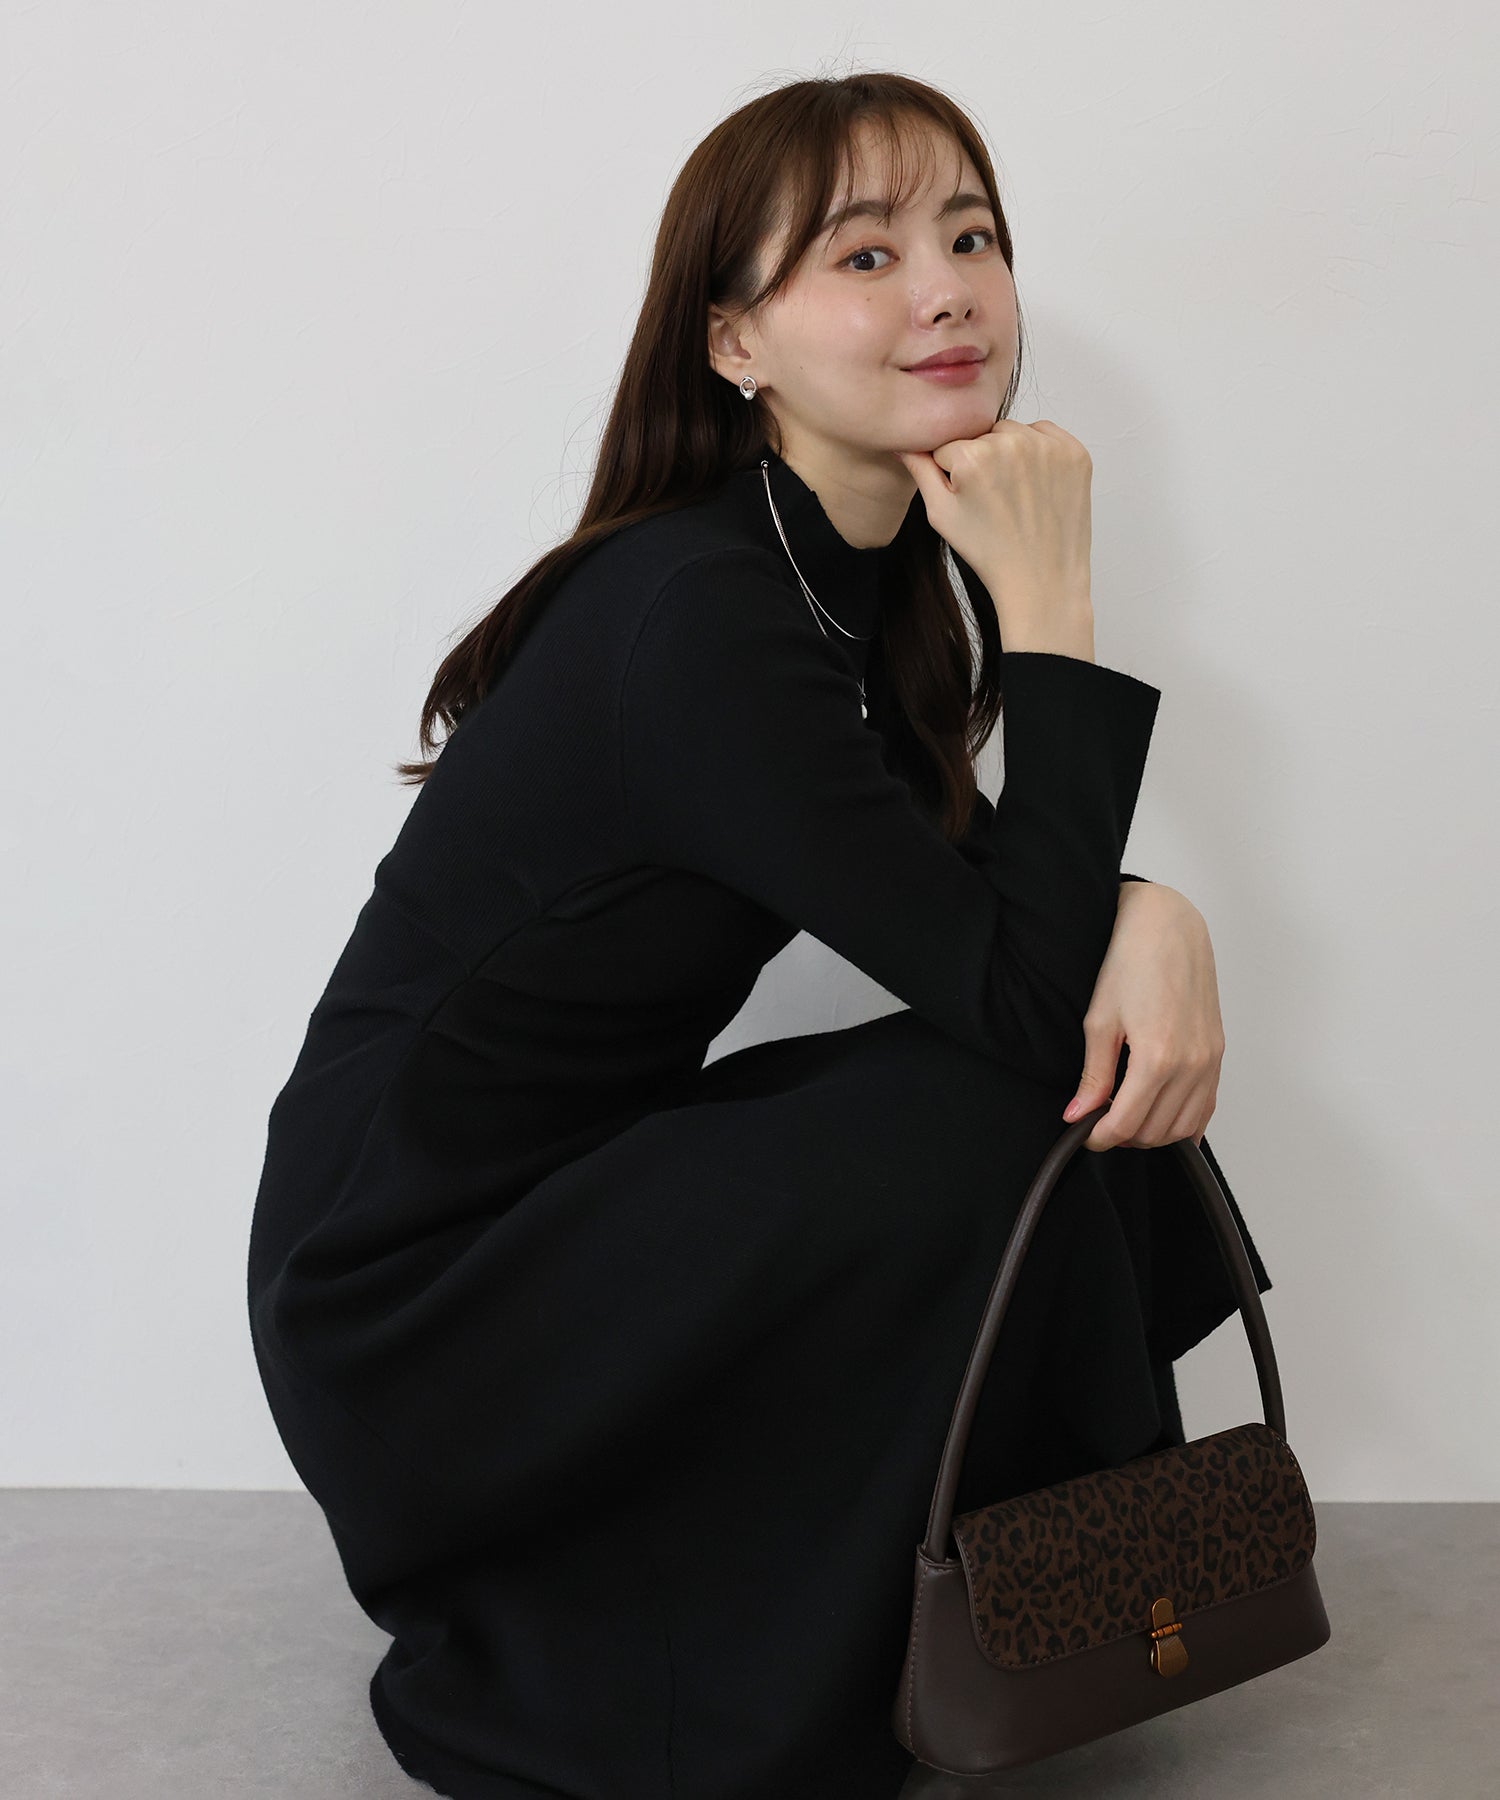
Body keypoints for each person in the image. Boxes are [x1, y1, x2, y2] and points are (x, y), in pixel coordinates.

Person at [246, 70, 1272, 1800]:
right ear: (734, 343)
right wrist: (1057, 610)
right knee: (1013, 1094)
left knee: (1046, 1087)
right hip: (420, 1291)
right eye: (865, 256)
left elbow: (991, 929)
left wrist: (1151, 909)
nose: (947, 290)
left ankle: (1039, 1592)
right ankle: (877, 1619)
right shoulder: (698, 616)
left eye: (973, 237)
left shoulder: (842, 589)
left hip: (569, 1203)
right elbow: (1024, 994)